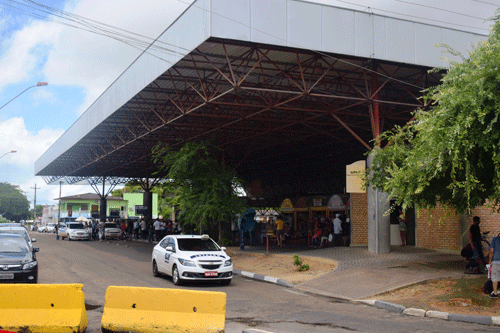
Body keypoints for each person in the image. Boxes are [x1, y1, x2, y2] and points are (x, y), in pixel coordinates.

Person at [488, 232, 500, 298]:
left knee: (495, 277)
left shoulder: (494, 239)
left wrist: (490, 262)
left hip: (496, 261)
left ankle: (495, 293)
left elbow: (491, 251)